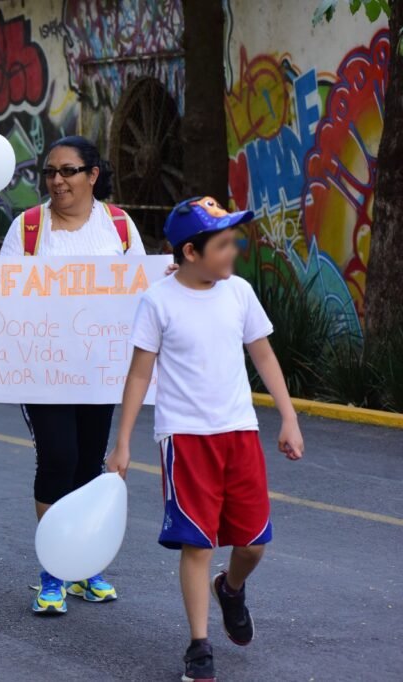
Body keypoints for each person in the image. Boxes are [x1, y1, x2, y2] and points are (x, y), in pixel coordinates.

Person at [106, 197, 304, 682]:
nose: (234, 249)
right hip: (185, 439)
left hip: (239, 433)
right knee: (198, 544)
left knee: (253, 543)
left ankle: (231, 589)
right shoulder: (158, 301)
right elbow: (138, 376)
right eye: (223, 243)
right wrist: (123, 442)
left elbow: (263, 356)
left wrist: (289, 417)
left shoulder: (238, 292)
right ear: (191, 252)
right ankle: (199, 645)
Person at [0, 136, 145, 615]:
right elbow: (3, 289)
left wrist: (167, 276)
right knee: (58, 459)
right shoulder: (28, 228)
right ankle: (53, 569)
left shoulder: (118, 225)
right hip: (42, 370)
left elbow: (139, 290)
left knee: (90, 466)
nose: (57, 181)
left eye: (68, 171)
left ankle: (85, 564)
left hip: (99, 370)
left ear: (93, 175)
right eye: (50, 172)